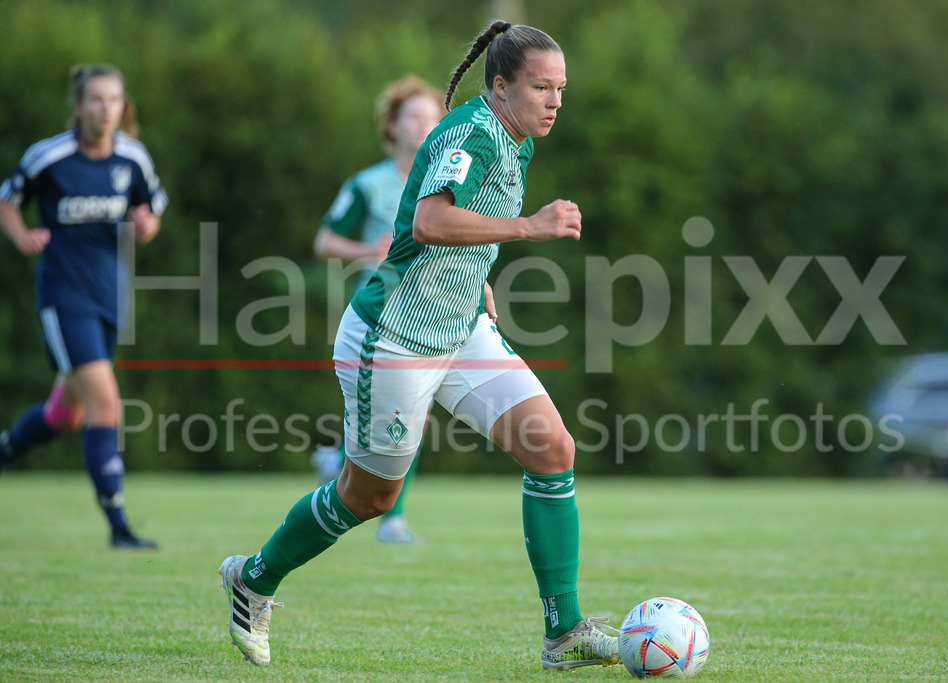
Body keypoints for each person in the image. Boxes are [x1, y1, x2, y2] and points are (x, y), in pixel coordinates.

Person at [219, 21, 620, 670]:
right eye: (541, 87)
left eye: (561, 89)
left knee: (552, 448)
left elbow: (461, 222)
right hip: (392, 338)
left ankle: (564, 631)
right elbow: (429, 220)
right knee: (368, 496)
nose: (555, 101)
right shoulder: (472, 132)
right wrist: (529, 227)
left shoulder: (514, 135)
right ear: (500, 86)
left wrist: (480, 272)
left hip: (460, 328)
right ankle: (254, 577)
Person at [0, 64, 168, 549]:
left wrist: (145, 223)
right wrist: (20, 235)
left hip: (109, 296)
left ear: (123, 105)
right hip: (62, 295)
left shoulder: (133, 157)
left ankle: (6, 450)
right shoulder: (50, 157)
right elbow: (7, 200)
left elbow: (153, 208)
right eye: (95, 99)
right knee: (106, 403)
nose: (105, 109)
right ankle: (119, 527)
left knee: (66, 414)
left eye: (113, 100)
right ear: (78, 106)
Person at [311, 75, 445, 545]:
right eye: (414, 116)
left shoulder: (448, 182)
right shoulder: (368, 185)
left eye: (432, 117)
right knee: (402, 412)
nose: (424, 125)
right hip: (381, 311)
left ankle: (340, 466)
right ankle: (392, 519)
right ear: (394, 126)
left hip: (434, 307)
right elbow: (324, 241)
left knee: (413, 413)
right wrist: (368, 248)